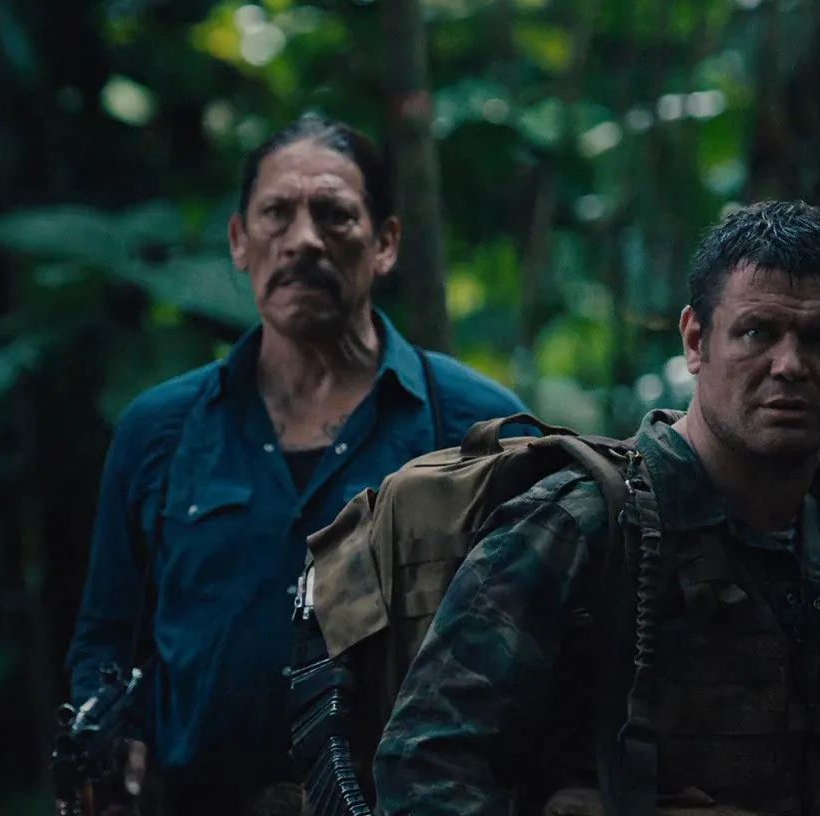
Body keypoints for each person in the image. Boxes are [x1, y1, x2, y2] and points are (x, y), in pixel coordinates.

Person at [372, 200, 820, 816]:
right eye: (757, 332)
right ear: (697, 341)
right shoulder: (581, 524)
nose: (790, 366)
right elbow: (427, 766)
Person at [63, 113, 531, 815]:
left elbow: (529, 645)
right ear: (239, 241)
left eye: (335, 215)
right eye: (276, 213)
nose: (304, 239)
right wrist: (109, 734)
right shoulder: (159, 429)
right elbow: (106, 636)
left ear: (385, 243)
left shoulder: (474, 425)